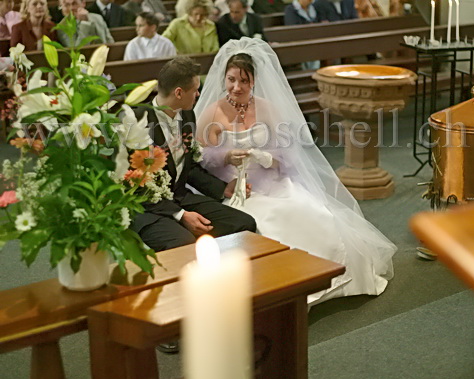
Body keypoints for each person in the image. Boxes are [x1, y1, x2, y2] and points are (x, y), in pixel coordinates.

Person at [195, 38, 396, 306]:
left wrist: (268, 158)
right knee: (265, 224)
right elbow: (201, 158)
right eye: (231, 79)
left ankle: (326, 277)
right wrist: (226, 155)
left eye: (244, 80)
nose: (237, 87)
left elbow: (290, 154)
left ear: (253, 80)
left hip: (273, 182)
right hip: (234, 187)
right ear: (224, 78)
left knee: (314, 214)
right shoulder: (212, 111)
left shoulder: (267, 108)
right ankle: (280, 294)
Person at [130, 56, 256, 253]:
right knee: (186, 245)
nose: (198, 94)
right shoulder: (137, 121)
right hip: (147, 209)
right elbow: (134, 185)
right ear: (179, 93)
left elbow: (188, 168)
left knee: (243, 223)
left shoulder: (187, 115)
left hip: (180, 196)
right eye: (195, 90)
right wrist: (180, 215)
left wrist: (223, 189)